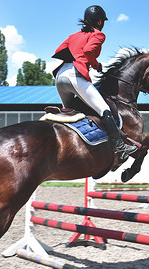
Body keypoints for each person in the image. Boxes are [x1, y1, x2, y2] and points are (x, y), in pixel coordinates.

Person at [52, 5, 136, 160]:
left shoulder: (73, 35)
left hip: (60, 77)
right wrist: (96, 65)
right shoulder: (99, 35)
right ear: (99, 22)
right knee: (105, 110)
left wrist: (75, 53)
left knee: (69, 113)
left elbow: (59, 50)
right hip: (75, 76)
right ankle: (120, 147)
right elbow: (89, 51)